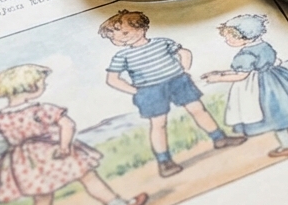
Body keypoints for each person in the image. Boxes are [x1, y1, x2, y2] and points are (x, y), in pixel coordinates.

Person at [0, 64, 147, 205]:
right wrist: (65, 146)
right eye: (41, 83)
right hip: (54, 151)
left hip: (26, 163)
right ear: (30, 87)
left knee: (42, 197)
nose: (44, 85)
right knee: (88, 177)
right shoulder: (39, 109)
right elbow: (67, 125)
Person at [99, 10, 245, 178]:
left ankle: (220, 138)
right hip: (150, 91)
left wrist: (183, 68)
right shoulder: (122, 56)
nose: (121, 38)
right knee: (158, 124)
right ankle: (164, 161)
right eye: (114, 37)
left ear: (142, 28)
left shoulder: (162, 42)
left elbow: (184, 52)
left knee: (198, 109)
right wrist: (136, 91)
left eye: (125, 32)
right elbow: (112, 79)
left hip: (178, 81)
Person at [201, 15, 288, 158]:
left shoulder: (245, 54)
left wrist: (217, 78)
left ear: (246, 36)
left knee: (275, 116)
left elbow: (241, 75)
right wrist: (221, 72)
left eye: (231, 38)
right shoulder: (264, 46)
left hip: (261, 87)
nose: (228, 41)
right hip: (279, 78)